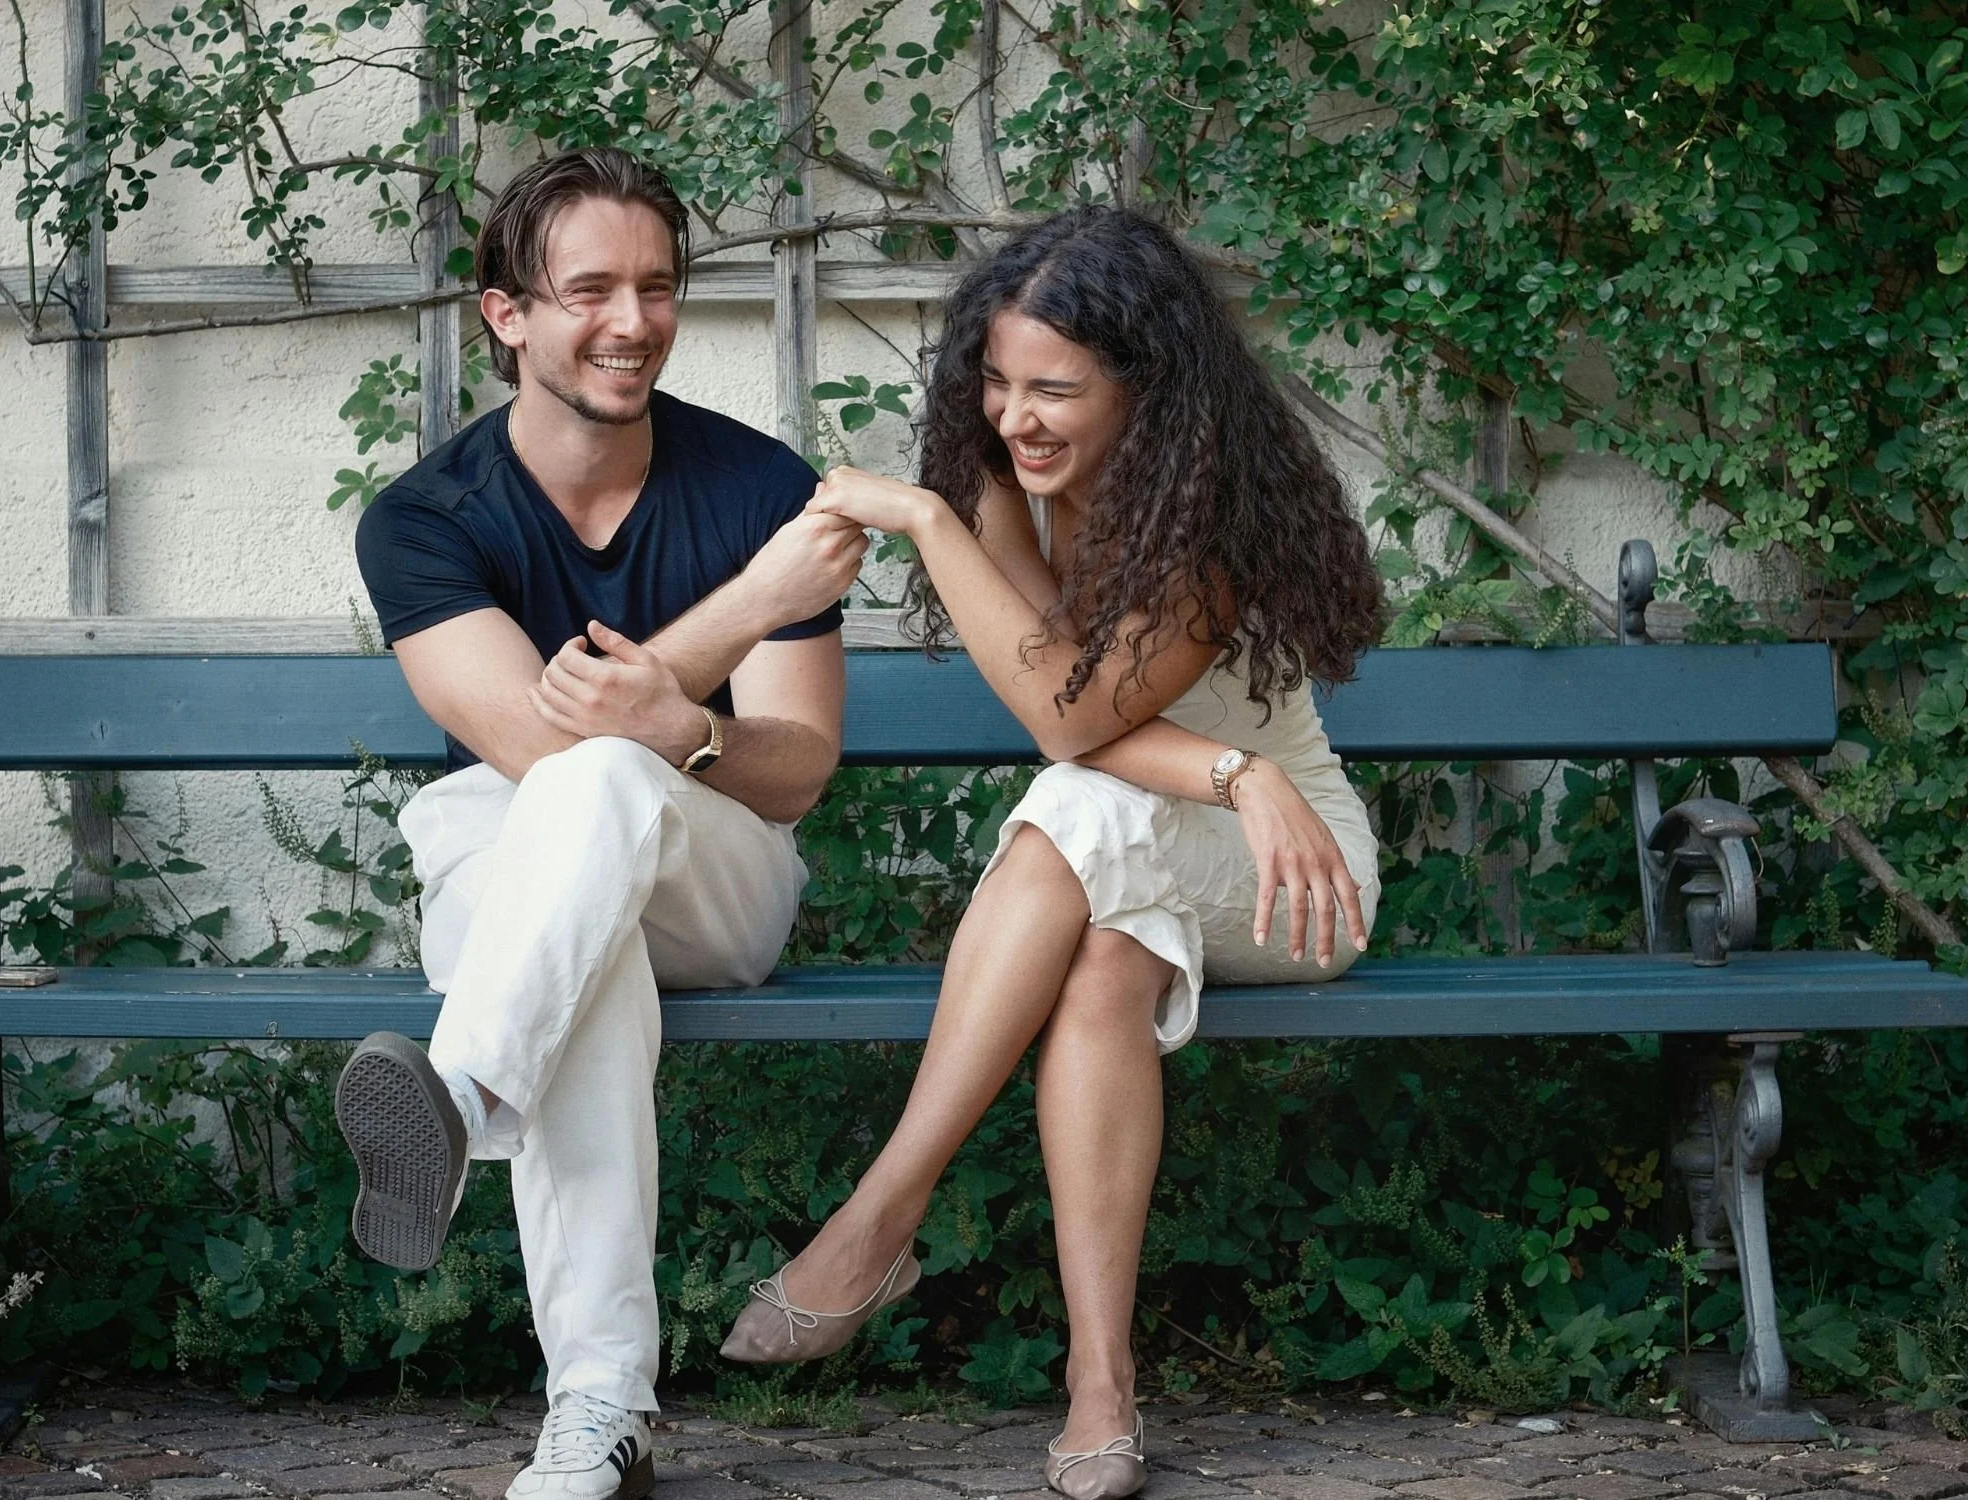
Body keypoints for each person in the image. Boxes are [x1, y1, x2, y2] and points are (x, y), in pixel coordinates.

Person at [716, 206, 1387, 1500]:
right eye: (998, 379)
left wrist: (922, 519)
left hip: (1299, 877)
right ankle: (1100, 1391)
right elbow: (1076, 721)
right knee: (1100, 967)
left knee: (1075, 815)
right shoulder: (1004, 485)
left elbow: (1064, 719)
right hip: (1168, 839)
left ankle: (878, 1218)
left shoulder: (1209, 531)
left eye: (1056, 390)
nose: (1015, 415)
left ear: (1148, 390)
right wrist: (1226, 771)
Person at [344, 147, 867, 1500]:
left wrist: (675, 726)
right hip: (526, 869)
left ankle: (460, 1092)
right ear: (506, 312)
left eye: (655, 286)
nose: (630, 322)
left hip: (717, 870)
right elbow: (530, 742)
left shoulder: (756, 487)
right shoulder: (423, 521)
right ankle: (597, 1414)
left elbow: (799, 768)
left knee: (605, 791)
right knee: (578, 929)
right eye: (589, 291)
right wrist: (744, 610)